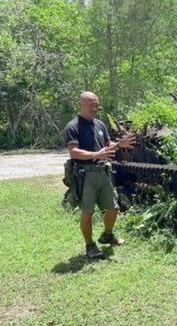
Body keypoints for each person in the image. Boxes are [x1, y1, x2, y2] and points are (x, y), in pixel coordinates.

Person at [64, 91, 136, 259]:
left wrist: (119, 144)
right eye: (91, 105)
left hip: (104, 172)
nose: (95, 108)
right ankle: (90, 245)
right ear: (80, 104)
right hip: (85, 174)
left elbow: (107, 145)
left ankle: (107, 235)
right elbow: (73, 152)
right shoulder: (73, 126)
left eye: (97, 104)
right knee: (88, 212)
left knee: (113, 208)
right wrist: (96, 155)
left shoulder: (100, 125)